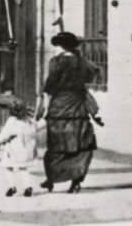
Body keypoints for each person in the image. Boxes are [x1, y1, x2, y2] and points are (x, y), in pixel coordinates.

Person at [37, 31, 97, 194]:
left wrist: (44, 110)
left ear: (61, 47)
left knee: (56, 145)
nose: (55, 49)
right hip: (78, 108)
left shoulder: (56, 62)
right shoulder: (83, 62)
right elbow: (91, 76)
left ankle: (51, 180)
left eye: (56, 46)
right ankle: (76, 182)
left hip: (59, 108)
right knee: (80, 146)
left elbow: (49, 87)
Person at [0, 98, 37, 197]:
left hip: (13, 150)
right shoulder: (29, 121)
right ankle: (27, 187)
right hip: (26, 150)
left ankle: (12, 186)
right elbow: (34, 132)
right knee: (23, 168)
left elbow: (4, 135)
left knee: (8, 167)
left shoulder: (12, 122)